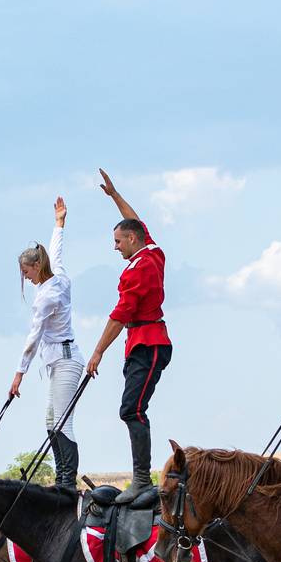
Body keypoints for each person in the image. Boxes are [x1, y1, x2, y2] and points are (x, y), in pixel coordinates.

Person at [85, 169, 171, 503]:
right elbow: (135, 222)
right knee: (131, 408)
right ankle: (141, 479)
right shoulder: (153, 252)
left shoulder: (139, 268)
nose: (115, 247)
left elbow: (119, 316)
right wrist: (115, 196)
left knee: (131, 409)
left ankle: (142, 481)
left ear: (132, 240)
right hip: (144, 342)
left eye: (118, 241)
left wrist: (97, 352)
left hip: (148, 343)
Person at [10, 196, 83, 489]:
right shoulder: (57, 276)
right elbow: (56, 252)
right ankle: (61, 478)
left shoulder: (48, 295)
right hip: (56, 361)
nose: (26, 278)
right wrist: (59, 224)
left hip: (66, 360)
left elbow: (34, 337)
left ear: (37, 266)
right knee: (51, 422)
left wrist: (19, 374)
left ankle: (67, 481)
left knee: (63, 422)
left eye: (27, 272)